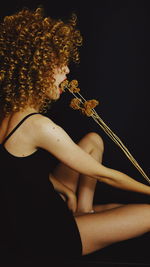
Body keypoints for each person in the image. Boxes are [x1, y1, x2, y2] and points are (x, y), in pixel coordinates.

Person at [0, 7, 150, 264]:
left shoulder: (8, 115)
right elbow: (104, 175)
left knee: (94, 139)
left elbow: (16, 175)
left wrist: (65, 191)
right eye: (59, 64)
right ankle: (82, 219)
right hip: (49, 235)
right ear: (37, 69)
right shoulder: (37, 125)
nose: (67, 71)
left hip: (33, 218)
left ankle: (84, 210)